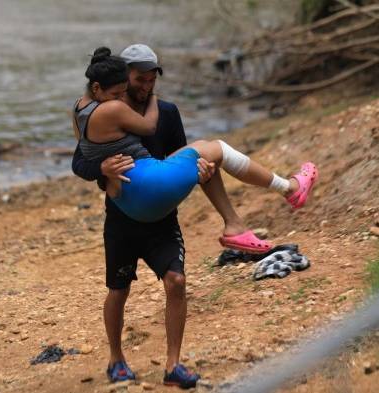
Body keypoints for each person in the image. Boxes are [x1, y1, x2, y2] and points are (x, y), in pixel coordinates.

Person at [72, 46, 318, 387]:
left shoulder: (164, 112)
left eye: (151, 79)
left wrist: (200, 171)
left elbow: (182, 153)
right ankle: (116, 358)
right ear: (121, 78)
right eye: (138, 80)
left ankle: (173, 365)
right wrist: (101, 168)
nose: (145, 85)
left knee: (177, 281)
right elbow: (79, 162)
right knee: (118, 290)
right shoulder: (111, 107)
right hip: (122, 219)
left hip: (160, 214)